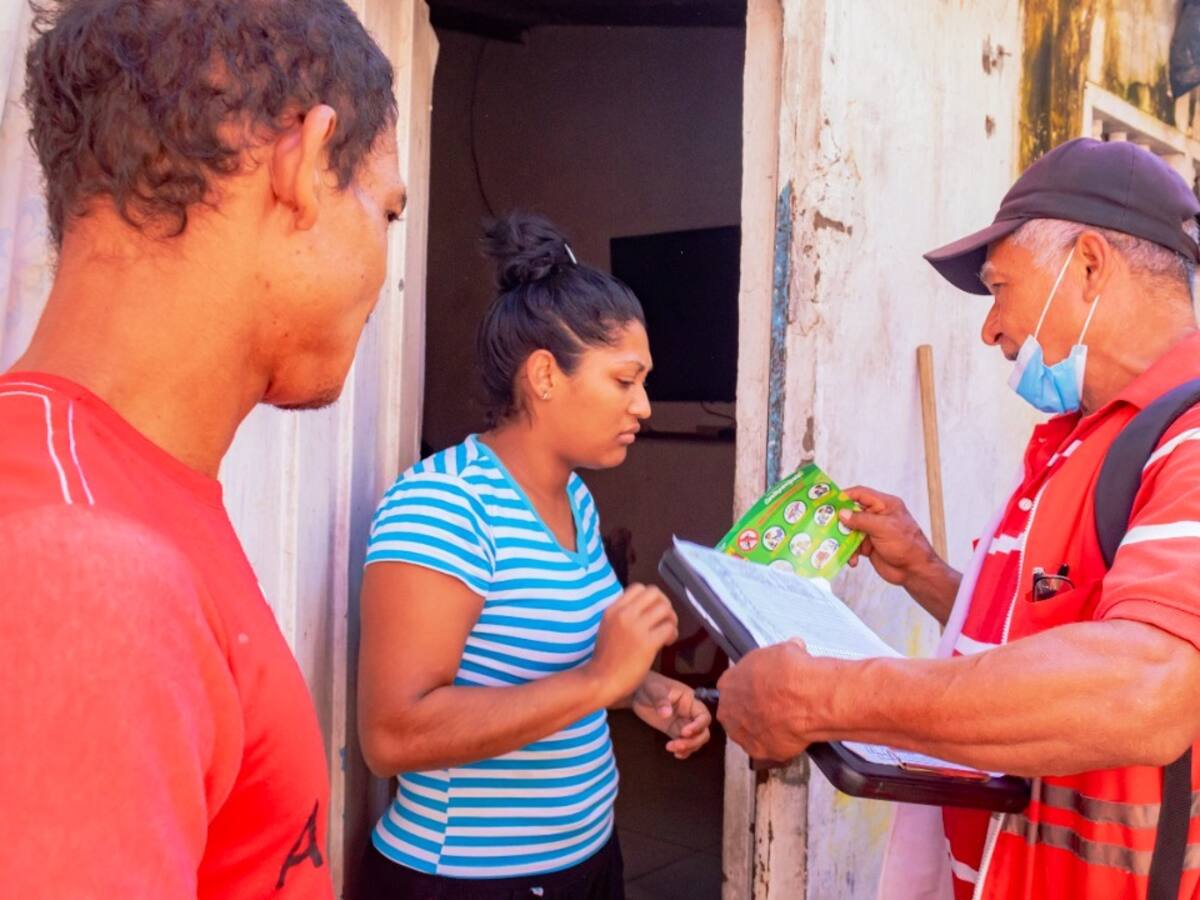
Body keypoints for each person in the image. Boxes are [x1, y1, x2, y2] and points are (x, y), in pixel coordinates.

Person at [716, 137, 1200, 899]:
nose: (990, 329)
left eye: (1000, 289)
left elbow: (1149, 687)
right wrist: (927, 573)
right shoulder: (1082, 436)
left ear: (1088, 266)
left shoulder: (1188, 440)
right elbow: (1043, 642)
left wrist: (821, 697)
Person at [0, 1, 403, 896]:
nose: (384, 268)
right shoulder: (81, 572)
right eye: (387, 211)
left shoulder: (96, 488)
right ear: (305, 163)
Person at [357, 213, 712, 900]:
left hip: (586, 858)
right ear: (545, 375)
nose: (643, 406)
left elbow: (561, 659)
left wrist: (642, 689)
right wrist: (601, 683)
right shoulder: (445, 505)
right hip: (470, 879)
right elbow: (392, 735)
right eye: (624, 381)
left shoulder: (574, 498)